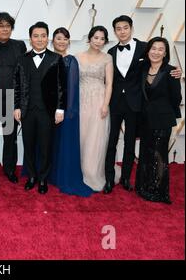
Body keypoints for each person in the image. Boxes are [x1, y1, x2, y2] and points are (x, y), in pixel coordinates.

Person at [104, 15, 183, 194]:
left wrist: (176, 71)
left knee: (130, 143)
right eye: (118, 28)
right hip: (115, 103)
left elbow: (158, 65)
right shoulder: (111, 52)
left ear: (131, 28)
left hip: (136, 104)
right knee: (111, 142)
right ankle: (109, 179)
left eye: (125, 27)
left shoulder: (143, 48)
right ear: (115, 31)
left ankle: (125, 178)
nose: (122, 31)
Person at [14, 22, 67, 195]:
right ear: (30, 39)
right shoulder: (22, 59)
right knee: (28, 144)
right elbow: (16, 85)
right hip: (27, 109)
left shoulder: (56, 59)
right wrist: (16, 107)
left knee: (45, 145)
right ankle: (31, 176)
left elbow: (61, 85)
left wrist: (60, 109)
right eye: (36, 36)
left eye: (43, 35)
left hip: (47, 111)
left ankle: (43, 178)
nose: (39, 39)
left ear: (47, 38)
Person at [47, 27, 94, 197]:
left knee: (65, 143)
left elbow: (72, 87)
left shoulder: (71, 61)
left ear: (68, 42)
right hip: (48, 109)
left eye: (65, 39)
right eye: (58, 38)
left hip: (67, 111)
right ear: (53, 40)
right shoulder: (49, 58)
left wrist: (70, 111)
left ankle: (65, 177)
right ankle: (53, 174)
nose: (61, 42)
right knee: (52, 143)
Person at [135, 37, 182, 204]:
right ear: (148, 50)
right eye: (153, 48)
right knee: (145, 152)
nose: (156, 52)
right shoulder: (142, 67)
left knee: (159, 154)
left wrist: (163, 110)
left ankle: (158, 190)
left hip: (162, 120)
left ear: (165, 53)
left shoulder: (171, 71)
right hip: (145, 119)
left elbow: (176, 98)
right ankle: (143, 186)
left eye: (160, 49)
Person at [0, 12, 27, 184]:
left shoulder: (19, 46)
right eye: (0, 25)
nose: (4, 29)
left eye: (8, 26)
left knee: (11, 137)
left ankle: (10, 169)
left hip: (12, 99)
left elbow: (24, 74)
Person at [77, 26, 113, 192]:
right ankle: (79, 171)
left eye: (102, 38)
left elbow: (109, 83)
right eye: (96, 37)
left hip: (99, 101)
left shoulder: (107, 58)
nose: (98, 41)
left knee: (96, 140)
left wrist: (105, 104)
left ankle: (93, 173)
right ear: (89, 38)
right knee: (82, 137)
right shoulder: (77, 57)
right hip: (81, 101)